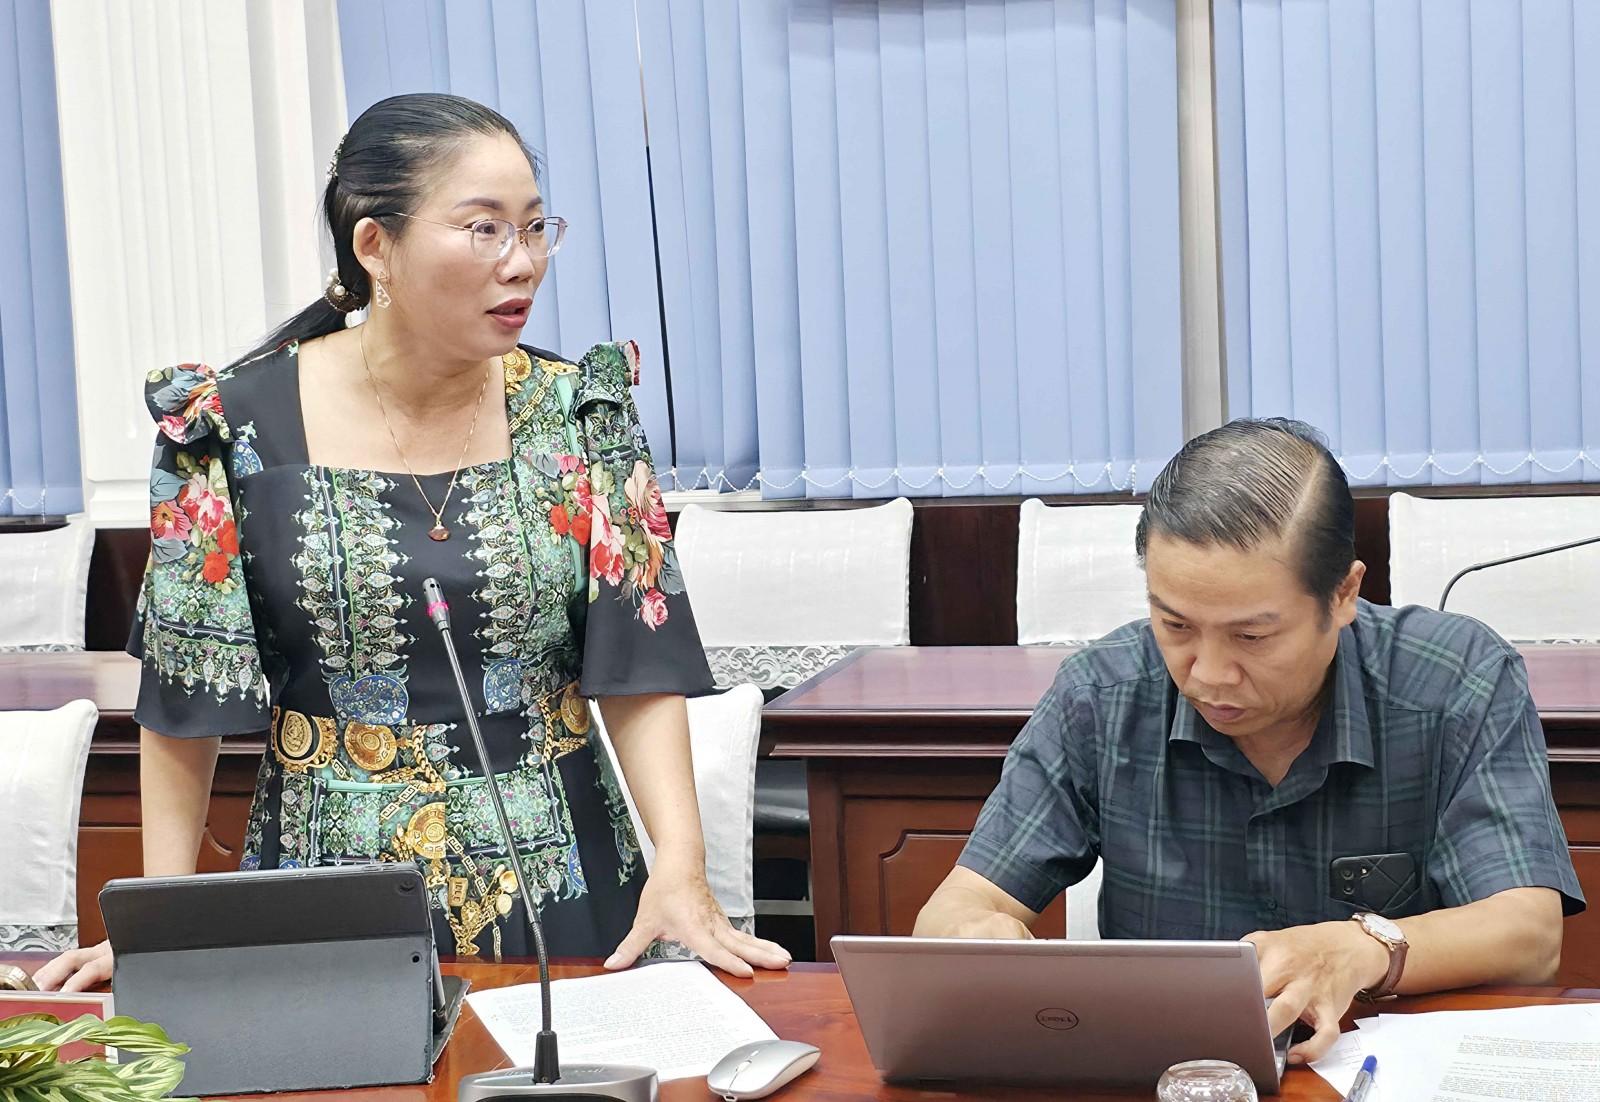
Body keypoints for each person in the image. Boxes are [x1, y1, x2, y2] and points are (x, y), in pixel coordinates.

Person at [39, 92, 788, 992]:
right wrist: (158, 922)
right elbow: (188, 691)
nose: (523, 262)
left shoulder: (579, 412)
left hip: (567, 882)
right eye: (484, 229)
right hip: (323, 894)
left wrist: (683, 866)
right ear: (375, 246)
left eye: (535, 227)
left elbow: (639, 662)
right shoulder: (231, 427)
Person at [915, 418, 1584, 1063]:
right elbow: (961, 904)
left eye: (1251, 636)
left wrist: (1360, 949)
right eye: (1175, 626)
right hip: (1172, 1074)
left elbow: (1528, 934)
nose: (1208, 674)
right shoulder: (1101, 695)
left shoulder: (1455, 680)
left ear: (1344, 595)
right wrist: (972, 933)